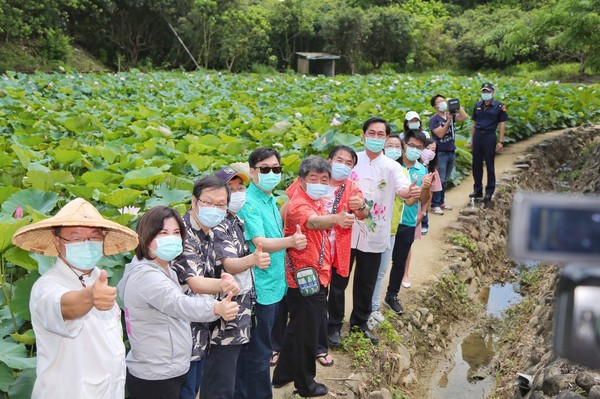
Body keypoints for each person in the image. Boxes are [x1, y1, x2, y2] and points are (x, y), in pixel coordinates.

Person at [11, 197, 138, 398]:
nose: (87, 244)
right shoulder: (46, 287)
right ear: (57, 241)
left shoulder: (98, 276)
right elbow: (63, 306)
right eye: (77, 237)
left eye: (94, 237)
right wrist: (90, 297)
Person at [118, 206, 240, 399]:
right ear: (146, 236)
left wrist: (222, 284)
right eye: (163, 233)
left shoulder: (166, 269)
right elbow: (179, 303)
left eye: (176, 233)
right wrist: (216, 308)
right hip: (156, 373)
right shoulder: (146, 275)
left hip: (167, 367)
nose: (171, 238)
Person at [328, 117, 420, 346]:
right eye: (372, 133)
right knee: (339, 282)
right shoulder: (351, 161)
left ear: (387, 138)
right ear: (363, 135)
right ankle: (333, 327)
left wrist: (410, 190)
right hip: (345, 231)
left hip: (375, 233)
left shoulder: (393, 167)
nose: (376, 138)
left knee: (366, 283)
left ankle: (359, 324)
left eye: (381, 135)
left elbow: (402, 187)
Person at [272, 156, 355, 397]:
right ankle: (306, 385)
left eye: (324, 179)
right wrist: (337, 219)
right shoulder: (301, 204)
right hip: (305, 279)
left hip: (310, 275)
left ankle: (283, 375)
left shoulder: (310, 197)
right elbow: (314, 222)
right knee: (308, 332)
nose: (319, 182)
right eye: (313, 179)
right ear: (302, 181)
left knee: (297, 327)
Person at [281, 146, 369, 363]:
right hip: (305, 254)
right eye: (340, 159)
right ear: (330, 160)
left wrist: (362, 206)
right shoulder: (303, 188)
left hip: (334, 250)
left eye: (349, 163)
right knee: (308, 302)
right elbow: (291, 214)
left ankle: (329, 335)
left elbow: (364, 214)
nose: (344, 165)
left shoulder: (351, 188)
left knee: (333, 292)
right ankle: (291, 349)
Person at [235, 147, 307, 399]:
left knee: (259, 348)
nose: (271, 173)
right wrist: (291, 241)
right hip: (260, 288)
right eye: (264, 169)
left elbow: (273, 233)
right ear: (253, 172)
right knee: (258, 351)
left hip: (275, 284)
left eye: (276, 169)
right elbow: (260, 241)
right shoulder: (249, 202)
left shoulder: (269, 199)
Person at [171, 176, 242, 399]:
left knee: (195, 386)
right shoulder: (181, 233)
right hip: (182, 328)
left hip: (201, 326)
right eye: (208, 202)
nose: (215, 208)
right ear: (194, 201)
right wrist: (226, 284)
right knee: (185, 389)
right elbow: (194, 281)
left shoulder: (210, 232)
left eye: (221, 205)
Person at [202, 167, 271, 399]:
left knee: (233, 370)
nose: (237, 192)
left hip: (240, 307)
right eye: (230, 188)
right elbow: (229, 264)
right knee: (220, 376)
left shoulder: (235, 219)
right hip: (225, 311)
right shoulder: (218, 224)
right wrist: (253, 259)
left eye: (240, 187)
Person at [384, 130, 433, 314]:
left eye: (419, 147)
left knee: (400, 261)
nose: (414, 149)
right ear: (404, 144)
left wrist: (426, 188)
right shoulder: (392, 165)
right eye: (411, 145)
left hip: (408, 221)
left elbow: (424, 197)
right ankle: (370, 302)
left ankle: (392, 295)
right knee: (378, 263)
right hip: (388, 221)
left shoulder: (422, 170)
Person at [369, 134, 408, 327]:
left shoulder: (402, 172)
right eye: (389, 145)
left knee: (380, 271)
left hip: (390, 230)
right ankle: (366, 309)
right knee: (366, 272)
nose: (393, 148)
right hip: (368, 228)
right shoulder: (373, 168)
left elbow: (407, 197)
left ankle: (374, 308)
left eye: (397, 146)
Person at [428, 94, 468, 215]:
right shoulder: (434, 119)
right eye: (440, 102)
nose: (443, 103)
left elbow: (464, 116)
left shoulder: (450, 115)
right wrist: (448, 121)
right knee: (439, 179)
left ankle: (441, 202)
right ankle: (435, 204)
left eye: (443, 101)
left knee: (445, 180)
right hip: (440, 152)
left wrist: (456, 105)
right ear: (435, 107)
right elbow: (440, 134)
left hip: (451, 150)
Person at [469, 82, 509, 202]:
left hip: (489, 136)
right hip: (478, 136)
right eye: (484, 91)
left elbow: (502, 124)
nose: (486, 94)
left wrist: (501, 141)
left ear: (493, 92)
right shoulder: (477, 105)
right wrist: (472, 140)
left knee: (490, 164)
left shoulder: (499, 106)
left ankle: (489, 190)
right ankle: (477, 189)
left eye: (488, 91)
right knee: (476, 164)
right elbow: (474, 124)